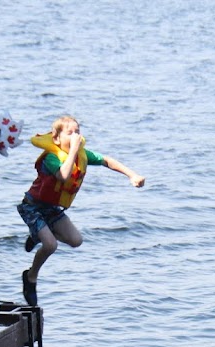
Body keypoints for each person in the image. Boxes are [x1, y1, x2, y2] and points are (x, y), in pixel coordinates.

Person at [17, 115, 145, 306]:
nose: (76, 136)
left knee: (76, 241)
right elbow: (63, 175)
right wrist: (74, 150)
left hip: (52, 209)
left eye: (78, 132)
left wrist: (132, 175)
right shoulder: (52, 158)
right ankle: (31, 277)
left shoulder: (81, 155)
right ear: (56, 138)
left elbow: (106, 161)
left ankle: (38, 234)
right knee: (51, 245)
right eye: (70, 133)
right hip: (32, 206)